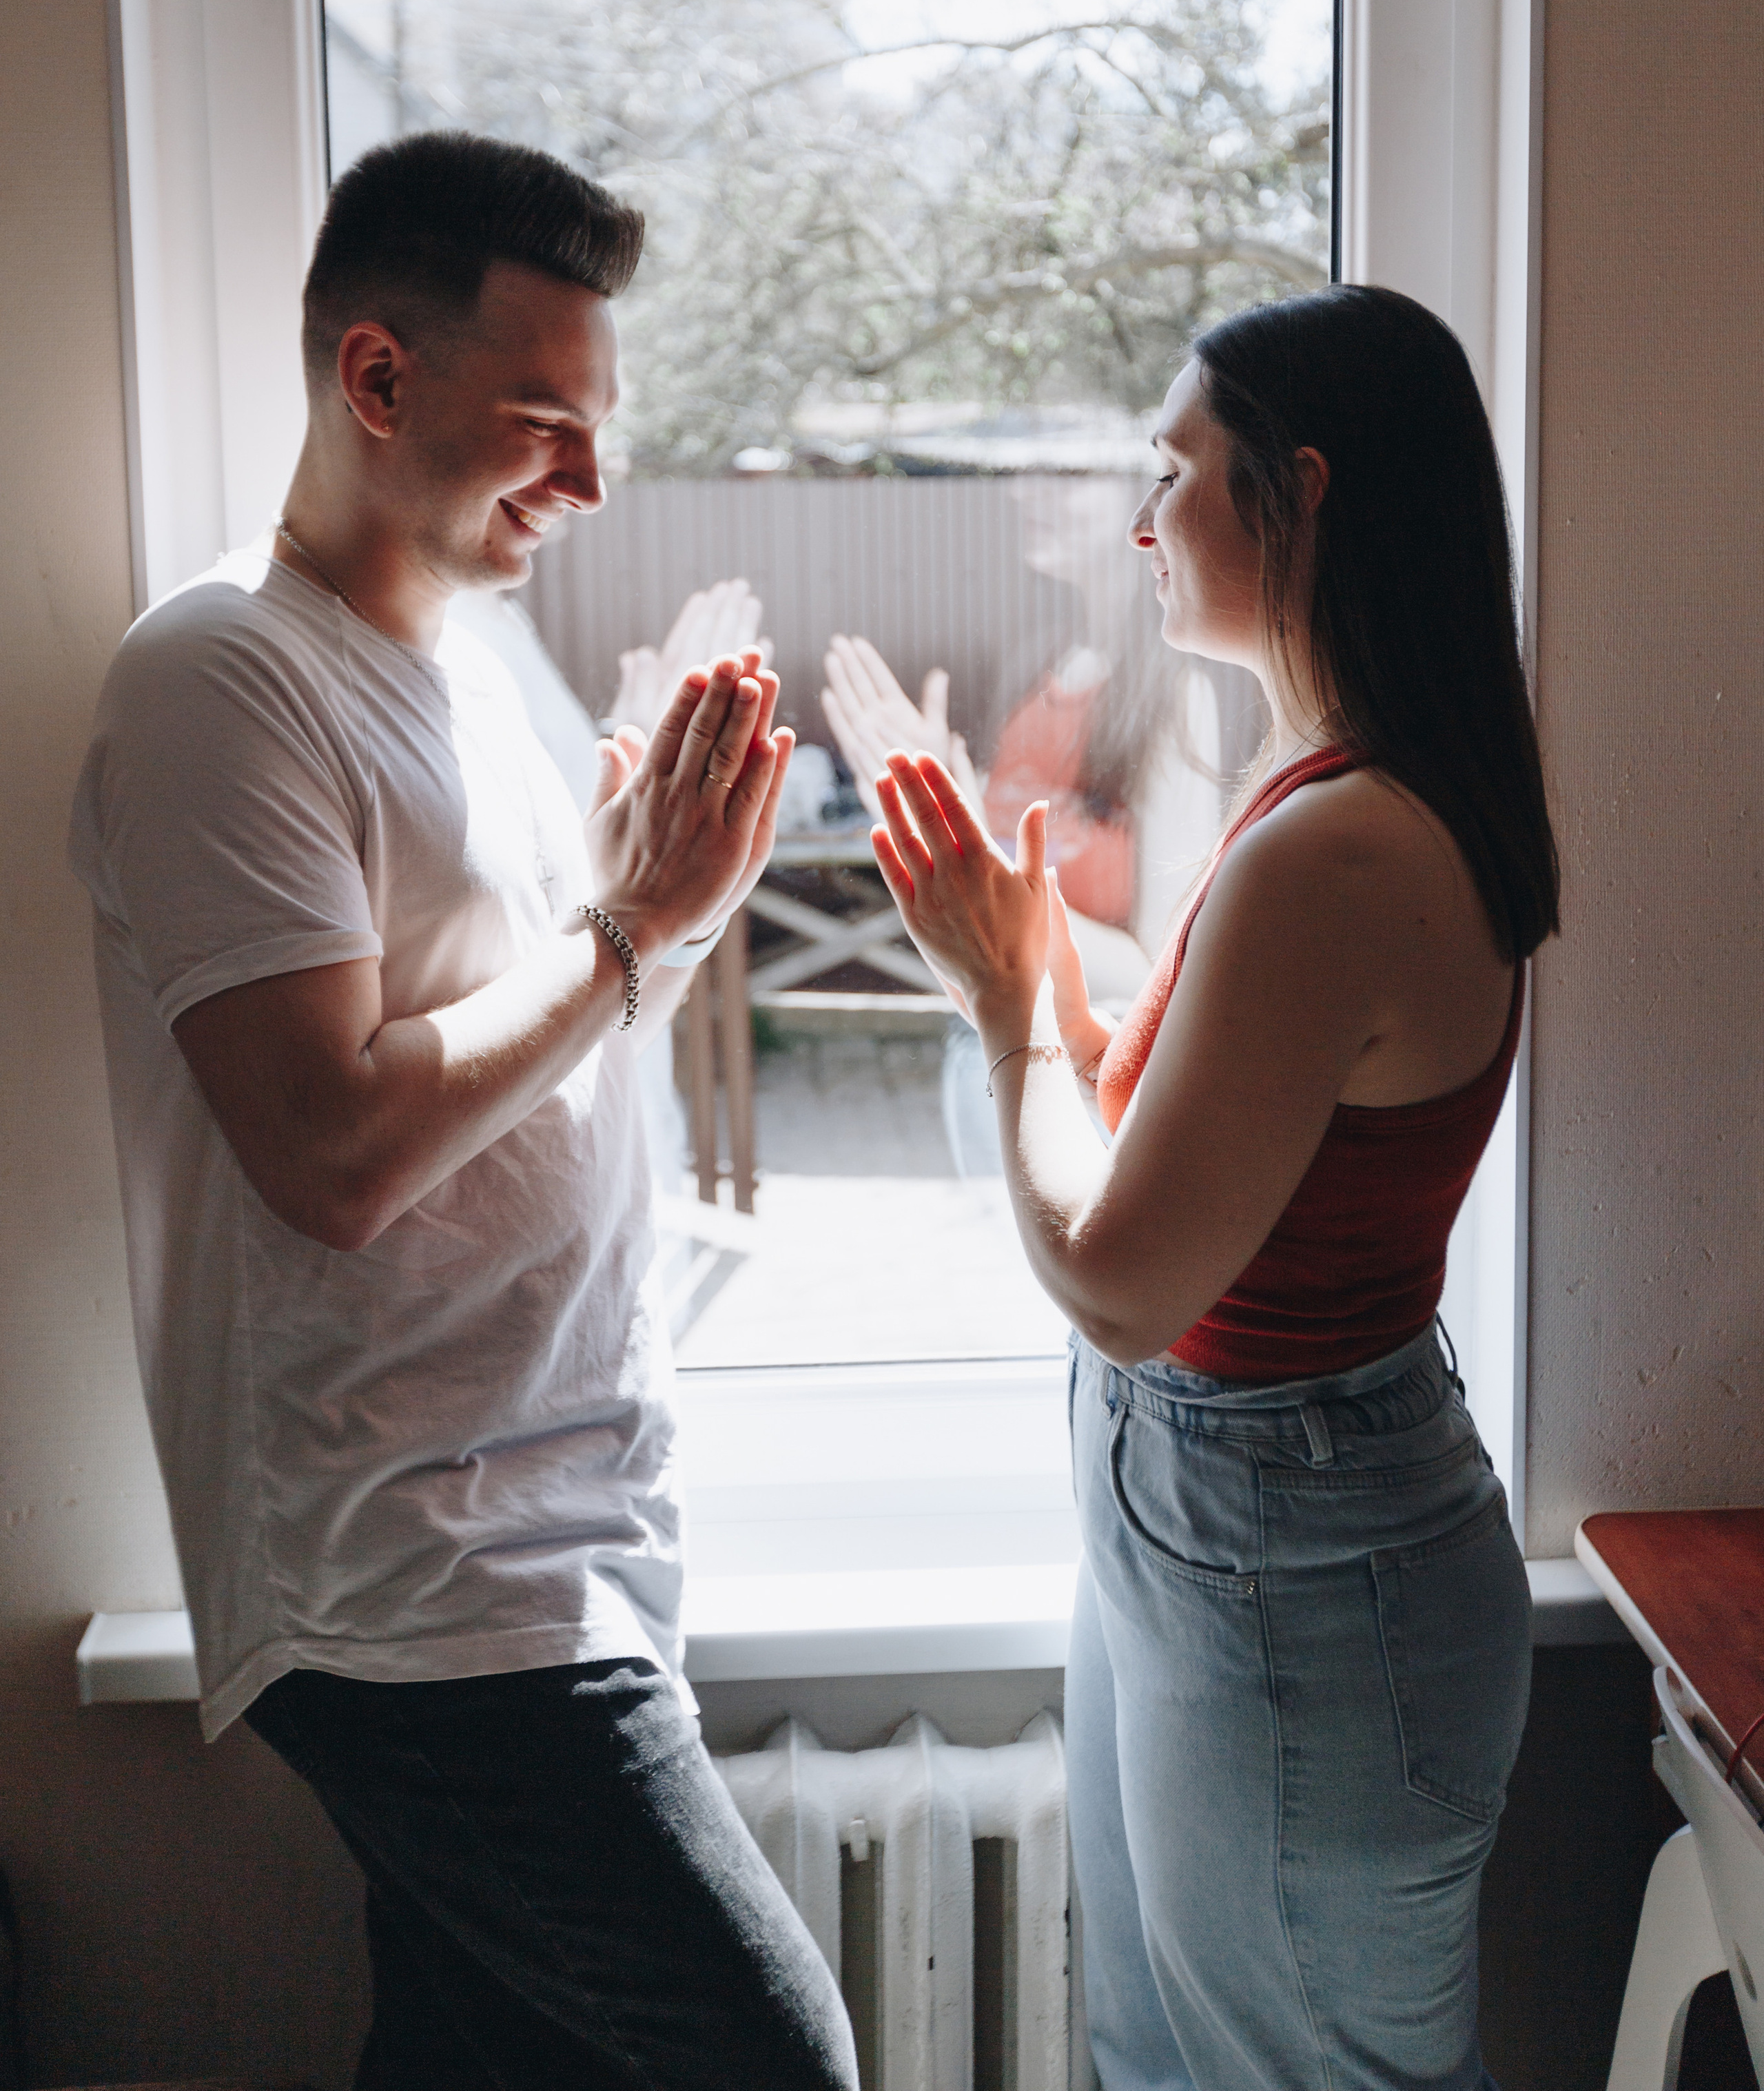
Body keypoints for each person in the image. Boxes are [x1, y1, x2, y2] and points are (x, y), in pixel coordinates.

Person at [68, 130, 857, 2091]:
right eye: (545, 423)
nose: (589, 481)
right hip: (419, 1580)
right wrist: (631, 927)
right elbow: (331, 1151)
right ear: (375, 377)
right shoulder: (222, 680)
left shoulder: (474, 673)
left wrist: (665, 917)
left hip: (561, 1526)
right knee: (775, 2060)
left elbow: (544, 1034)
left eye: (599, 427)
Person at [865, 284, 1557, 2091]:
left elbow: (1119, 1276)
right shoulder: (1310, 789)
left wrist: (1012, 1005)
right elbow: (1161, 1144)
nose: (1139, 519)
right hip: (1228, 1535)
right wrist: (1038, 990)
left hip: (1302, 1566)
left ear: (1298, 493)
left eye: (1172, 472)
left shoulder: (1339, 843)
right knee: (1166, 2053)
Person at [821, 477, 1222, 1173]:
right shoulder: (1044, 663)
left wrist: (966, 838)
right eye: (1027, 471)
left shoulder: (1175, 696)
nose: (1027, 492)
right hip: (987, 1053)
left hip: (1089, 1088)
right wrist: (926, 798)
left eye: (1067, 474)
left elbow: (1157, 967)